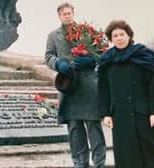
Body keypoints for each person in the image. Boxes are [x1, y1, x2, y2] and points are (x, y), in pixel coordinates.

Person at [45, 2, 106, 168]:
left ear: (73, 13)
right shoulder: (53, 35)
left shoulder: (86, 31)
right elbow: (48, 56)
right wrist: (58, 64)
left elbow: (101, 53)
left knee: (94, 125)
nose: (67, 16)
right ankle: (80, 163)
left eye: (69, 13)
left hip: (88, 85)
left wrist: (90, 60)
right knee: (74, 128)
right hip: (69, 85)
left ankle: (99, 163)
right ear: (59, 16)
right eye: (64, 13)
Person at [97, 19, 154, 168]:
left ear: (129, 35)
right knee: (125, 156)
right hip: (120, 116)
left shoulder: (144, 55)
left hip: (143, 115)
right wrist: (106, 114)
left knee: (148, 154)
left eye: (122, 34)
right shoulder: (106, 61)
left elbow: (152, 86)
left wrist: (153, 112)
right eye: (115, 36)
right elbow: (103, 90)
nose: (119, 38)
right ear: (111, 39)